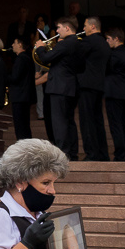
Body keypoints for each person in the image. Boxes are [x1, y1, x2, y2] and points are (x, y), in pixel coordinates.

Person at [38, 18, 82, 158]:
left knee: (59, 122)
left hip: (59, 87)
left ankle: (62, 153)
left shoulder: (65, 43)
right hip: (70, 86)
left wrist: (40, 47)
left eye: (59, 28)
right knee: (69, 121)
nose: (56, 31)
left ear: (67, 29)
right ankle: (72, 152)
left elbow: (46, 58)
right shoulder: (78, 42)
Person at [76, 18, 108, 161]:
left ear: (93, 26)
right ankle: (102, 153)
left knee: (87, 121)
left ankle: (92, 154)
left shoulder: (89, 41)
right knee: (97, 121)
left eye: (85, 25)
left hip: (87, 85)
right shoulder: (104, 42)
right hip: (99, 85)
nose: (83, 28)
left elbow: (75, 55)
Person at [100, 31, 125, 161]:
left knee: (116, 125)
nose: (107, 42)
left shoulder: (114, 55)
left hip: (114, 92)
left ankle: (120, 156)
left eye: (108, 38)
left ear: (116, 39)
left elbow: (106, 69)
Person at [5, 38, 35, 140]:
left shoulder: (21, 59)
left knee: (20, 125)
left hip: (20, 96)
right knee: (24, 125)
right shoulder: (27, 58)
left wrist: (2, 76)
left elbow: (15, 78)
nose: (12, 45)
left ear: (20, 45)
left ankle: (23, 147)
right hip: (25, 96)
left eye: (15, 43)